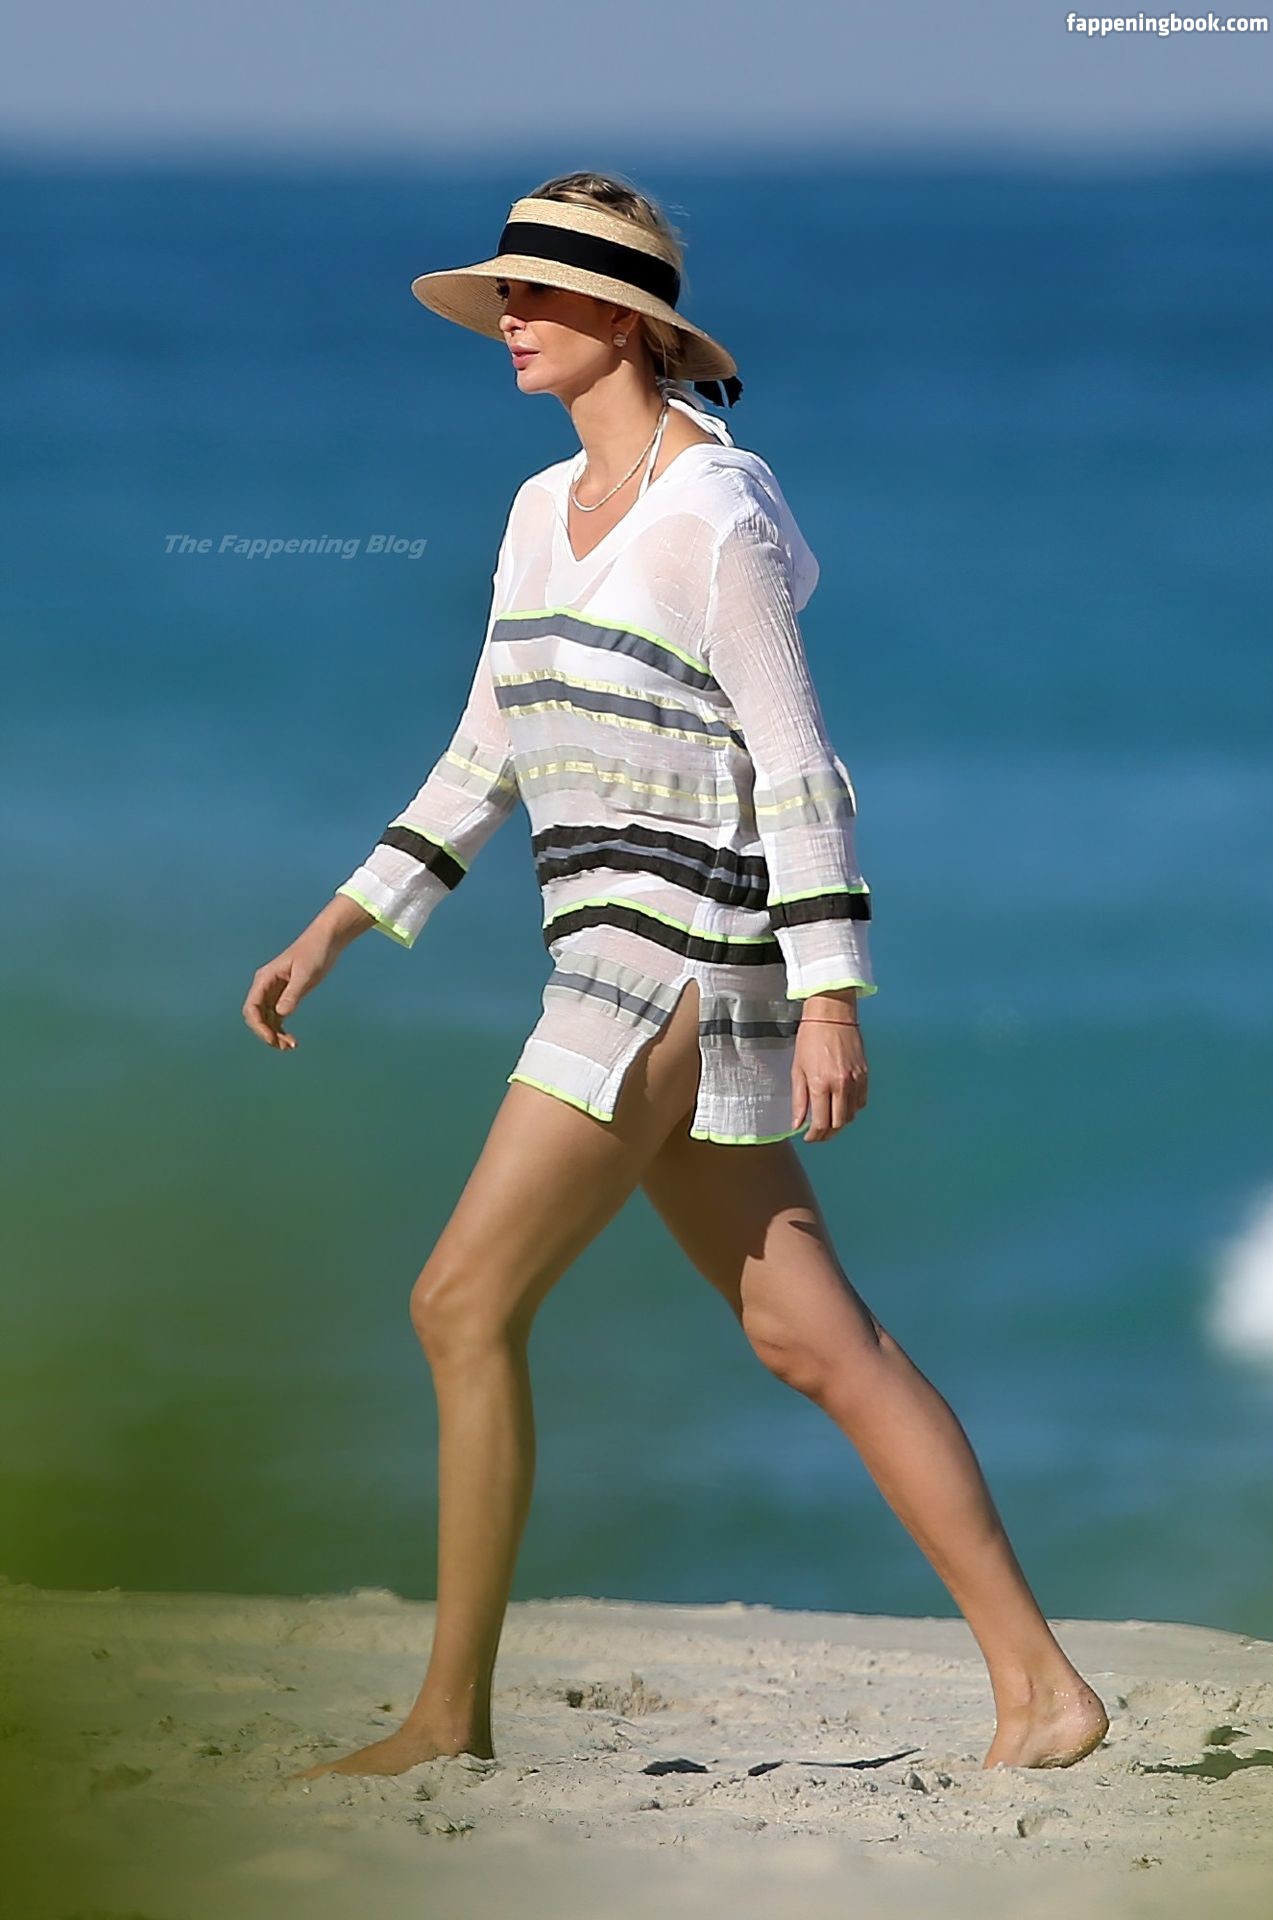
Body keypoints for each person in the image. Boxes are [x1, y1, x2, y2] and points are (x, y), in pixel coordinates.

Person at [243, 171, 1109, 1779]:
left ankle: (446, 1719)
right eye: (502, 295)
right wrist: (338, 923)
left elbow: (798, 764)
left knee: (457, 1303)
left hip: (671, 959)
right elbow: (485, 751)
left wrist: (832, 994)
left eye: (534, 295)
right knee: (814, 1342)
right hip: (616, 950)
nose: (507, 319)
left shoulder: (714, 513)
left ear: (622, 319)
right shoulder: (536, 510)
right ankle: (1042, 1691)